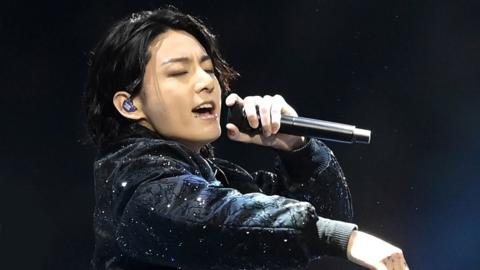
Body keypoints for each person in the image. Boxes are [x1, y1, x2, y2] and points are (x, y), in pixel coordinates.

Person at [84, 6, 409, 270]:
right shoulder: (134, 182)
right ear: (129, 104)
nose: (206, 83)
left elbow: (326, 219)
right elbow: (214, 217)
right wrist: (343, 239)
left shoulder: (217, 180)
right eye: (179, 73)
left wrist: (297, 147)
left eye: (208, 69)